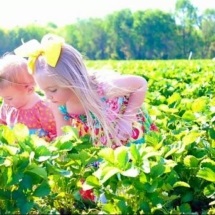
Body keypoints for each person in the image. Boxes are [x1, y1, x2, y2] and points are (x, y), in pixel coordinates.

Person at [14, 34, 158, 148]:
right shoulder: (59, 103)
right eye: (44, 91)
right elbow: (63, 135)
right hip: (101, 140)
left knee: (133, 164)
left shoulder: (103, 88)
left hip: (127, 128)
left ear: (71, 81)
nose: (48, 97)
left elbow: (140, 84)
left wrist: (127, 118)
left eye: (52, 90)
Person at [0, 54, 57, 141]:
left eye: (9, 98)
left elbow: (54, 132)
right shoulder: (7, 106)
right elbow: (2, 123)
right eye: (2, 97)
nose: (5, 102)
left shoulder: (42, 108)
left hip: (38, 151)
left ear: (29, 90)